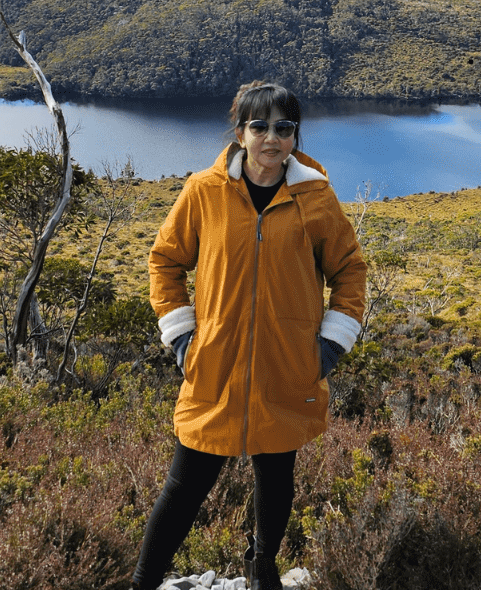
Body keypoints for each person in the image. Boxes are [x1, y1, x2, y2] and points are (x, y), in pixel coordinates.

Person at [133, 81, 367, 590]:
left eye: (284, 128)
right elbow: (164, 262)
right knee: (184, 485)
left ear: (295, 135)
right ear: (239, 132)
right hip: (215, 364)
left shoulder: (315, 197)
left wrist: (329, 345)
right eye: (259, 126)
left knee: (276, 477)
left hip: (287, 366)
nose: (271, 138)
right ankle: (143, 582)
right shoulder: (204, 191)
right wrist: (180, 337)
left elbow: (349, 271)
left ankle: (263, 569)